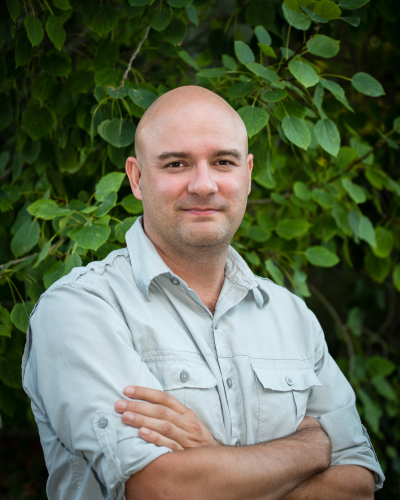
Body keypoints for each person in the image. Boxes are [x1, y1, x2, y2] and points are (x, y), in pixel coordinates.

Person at [22, 86, 384, 500]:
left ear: (247, 174)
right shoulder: (81, 310)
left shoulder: (290, 315)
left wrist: (216, 465)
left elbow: (357, 487)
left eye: (223, 162)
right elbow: (164, 488)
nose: (204, 184)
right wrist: (311, 448)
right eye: (176, 163)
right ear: (137, 179)